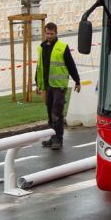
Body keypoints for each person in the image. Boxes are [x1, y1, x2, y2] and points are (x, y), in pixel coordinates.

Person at [35, 22, 81, 150]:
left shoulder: (62, 47)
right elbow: (39, 67)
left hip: (59, 86)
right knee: (50, 113)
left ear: (56, 33)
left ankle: (58, 139)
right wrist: (38, 85)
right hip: (48, 85)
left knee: (57, 112)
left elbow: (71, 65)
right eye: (47, 33)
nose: (49, 36)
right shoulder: (42, 47)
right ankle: (52, 137)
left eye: (51, 33)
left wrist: (77, 81)